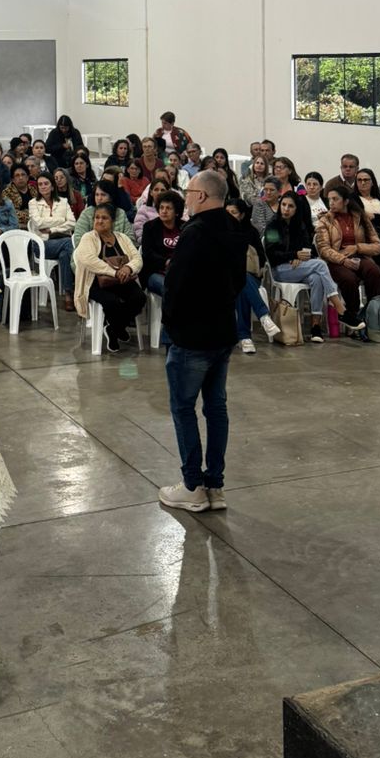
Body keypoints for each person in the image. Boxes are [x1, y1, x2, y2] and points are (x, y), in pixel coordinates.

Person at [159, 170, 246, 513]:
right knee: (216, 408)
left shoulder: (194, 232)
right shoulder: (234, 227)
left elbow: (175, 285)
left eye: (189, 191)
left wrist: (171, 323)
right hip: (223, 332)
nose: (186, 197)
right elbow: (240, 280)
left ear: (202, 196)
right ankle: (215, 486)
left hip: (192, 336)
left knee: (184, 408)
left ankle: (193, 486)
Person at [264, 190, 344, 343]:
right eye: (284, 205)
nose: (286, 209)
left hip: (298, 268)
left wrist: (301, 257)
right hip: (280, 269)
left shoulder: (299, 225)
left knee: (316, 278)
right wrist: (293, 255)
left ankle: (315, 327)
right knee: (321, 265)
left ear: (296, 209)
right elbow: (272, 253)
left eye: (290, 206)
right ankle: (339, 306)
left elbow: (309, 248)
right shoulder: (273, 226)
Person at [73, 204, 144, 352]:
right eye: (97, 217)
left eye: (104, 218)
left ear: (112, 221)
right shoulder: (88, 238)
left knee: (139, 298)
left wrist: (128, 268)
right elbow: (88, 259)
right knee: (112, 302)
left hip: (122, 280)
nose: (99, 221)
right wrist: (114, 272)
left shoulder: (122, 238)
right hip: (96, 282)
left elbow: (137, 258)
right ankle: (118, 328)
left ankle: (113, 329)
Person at [314, 188, 380, 321]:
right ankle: (353, 315)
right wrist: (343, 260)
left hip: (358, 255)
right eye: (329, 199)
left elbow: (377, 246)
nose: (331, 203)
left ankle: (373, 311)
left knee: (374, 271)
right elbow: (323, 249)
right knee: (349, 279)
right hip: (335, 260)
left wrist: (357, 247)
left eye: (335, 199)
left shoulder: (361, 218)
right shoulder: (325, 220)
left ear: (346, 201)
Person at [225, 195, 277, 352]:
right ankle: (263, 316)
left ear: (241, 215)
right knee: (241, 282)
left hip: (250, 276)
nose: (229, 216)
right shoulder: (219, 231)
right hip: (226, 278)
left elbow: (261, 256)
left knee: (243, 283)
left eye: (233, 212)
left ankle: (245, 337)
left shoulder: (250, 232)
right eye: (227, 212)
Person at [29, 173, 77, 309]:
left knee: (65, 254)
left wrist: (52, 229)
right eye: (40, 184)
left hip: (60, 241)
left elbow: (73, 223)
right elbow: (38, 223)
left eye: (46, 183)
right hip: (42, 245)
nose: (43, 187)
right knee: (68, 243)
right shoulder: (33, 203)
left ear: (52, 186)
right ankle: (78, 288)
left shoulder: (63, 201)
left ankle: (68, 294)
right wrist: (61, 221)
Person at [140, 191, 184, 297]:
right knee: (171, 289)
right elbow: (147, 253)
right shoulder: (150, 227)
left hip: (180, 271)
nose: (164, 211)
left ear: (177, 212)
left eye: (168, 208)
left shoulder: (185, 227)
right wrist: (166, 262)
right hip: (155, 271)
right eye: (161, 207)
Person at [354, 168, 380, 235]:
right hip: (365, 233)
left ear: (372, 182)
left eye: (366, 180)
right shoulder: (352, 199)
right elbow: (362, 217)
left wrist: (374, 216)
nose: (363, 183)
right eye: (359, 180)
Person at [4, 163, 36, 228]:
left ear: (27, 177)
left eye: (23, 175)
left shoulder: (34, 189)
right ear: (13, 179)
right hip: (16, 226)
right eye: (17, 175)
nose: (20, 178)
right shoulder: (6, 193)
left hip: (36, 224)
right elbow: (10, 212)